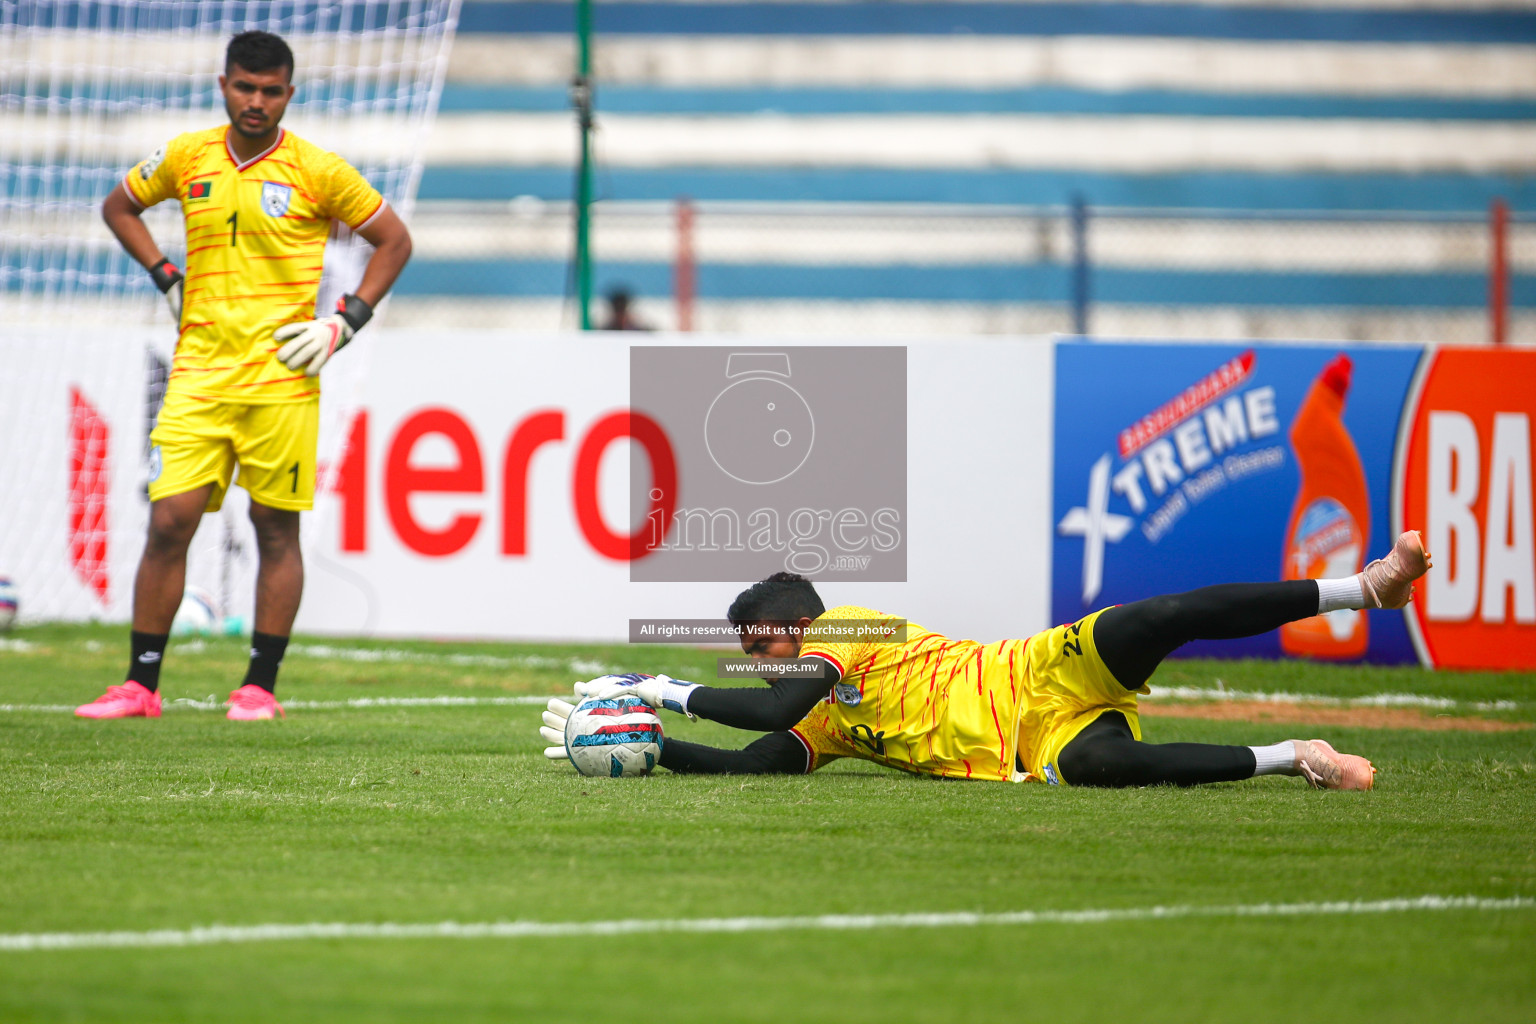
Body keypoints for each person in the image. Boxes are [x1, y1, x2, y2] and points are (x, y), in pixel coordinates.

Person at [76, 31, 412, 721]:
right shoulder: (186, 155)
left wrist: (343, 323)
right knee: (169, 521)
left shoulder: (318, 170)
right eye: (244, 87)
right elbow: (119, 206)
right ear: (223, 84)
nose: (256, 101)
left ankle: (259, 686)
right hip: (198, 371)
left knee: (273, 527)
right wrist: (165, 274)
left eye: (270, 91)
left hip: (281, 378)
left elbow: (394, 240)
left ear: (290, 94)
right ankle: (140, 685)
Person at [542, 532, 1433, 788]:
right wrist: (646, 745)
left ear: (792, 622)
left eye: (758, 646)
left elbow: (769, 710)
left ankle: (1360, 588)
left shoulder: (850, 626)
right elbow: (759, 753)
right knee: (1107, 769)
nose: (761, 664)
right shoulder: (824, 716)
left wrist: (664, 685)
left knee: (1161, 614)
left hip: (1036, 669)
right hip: (1027, 745)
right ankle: (1295, 759)